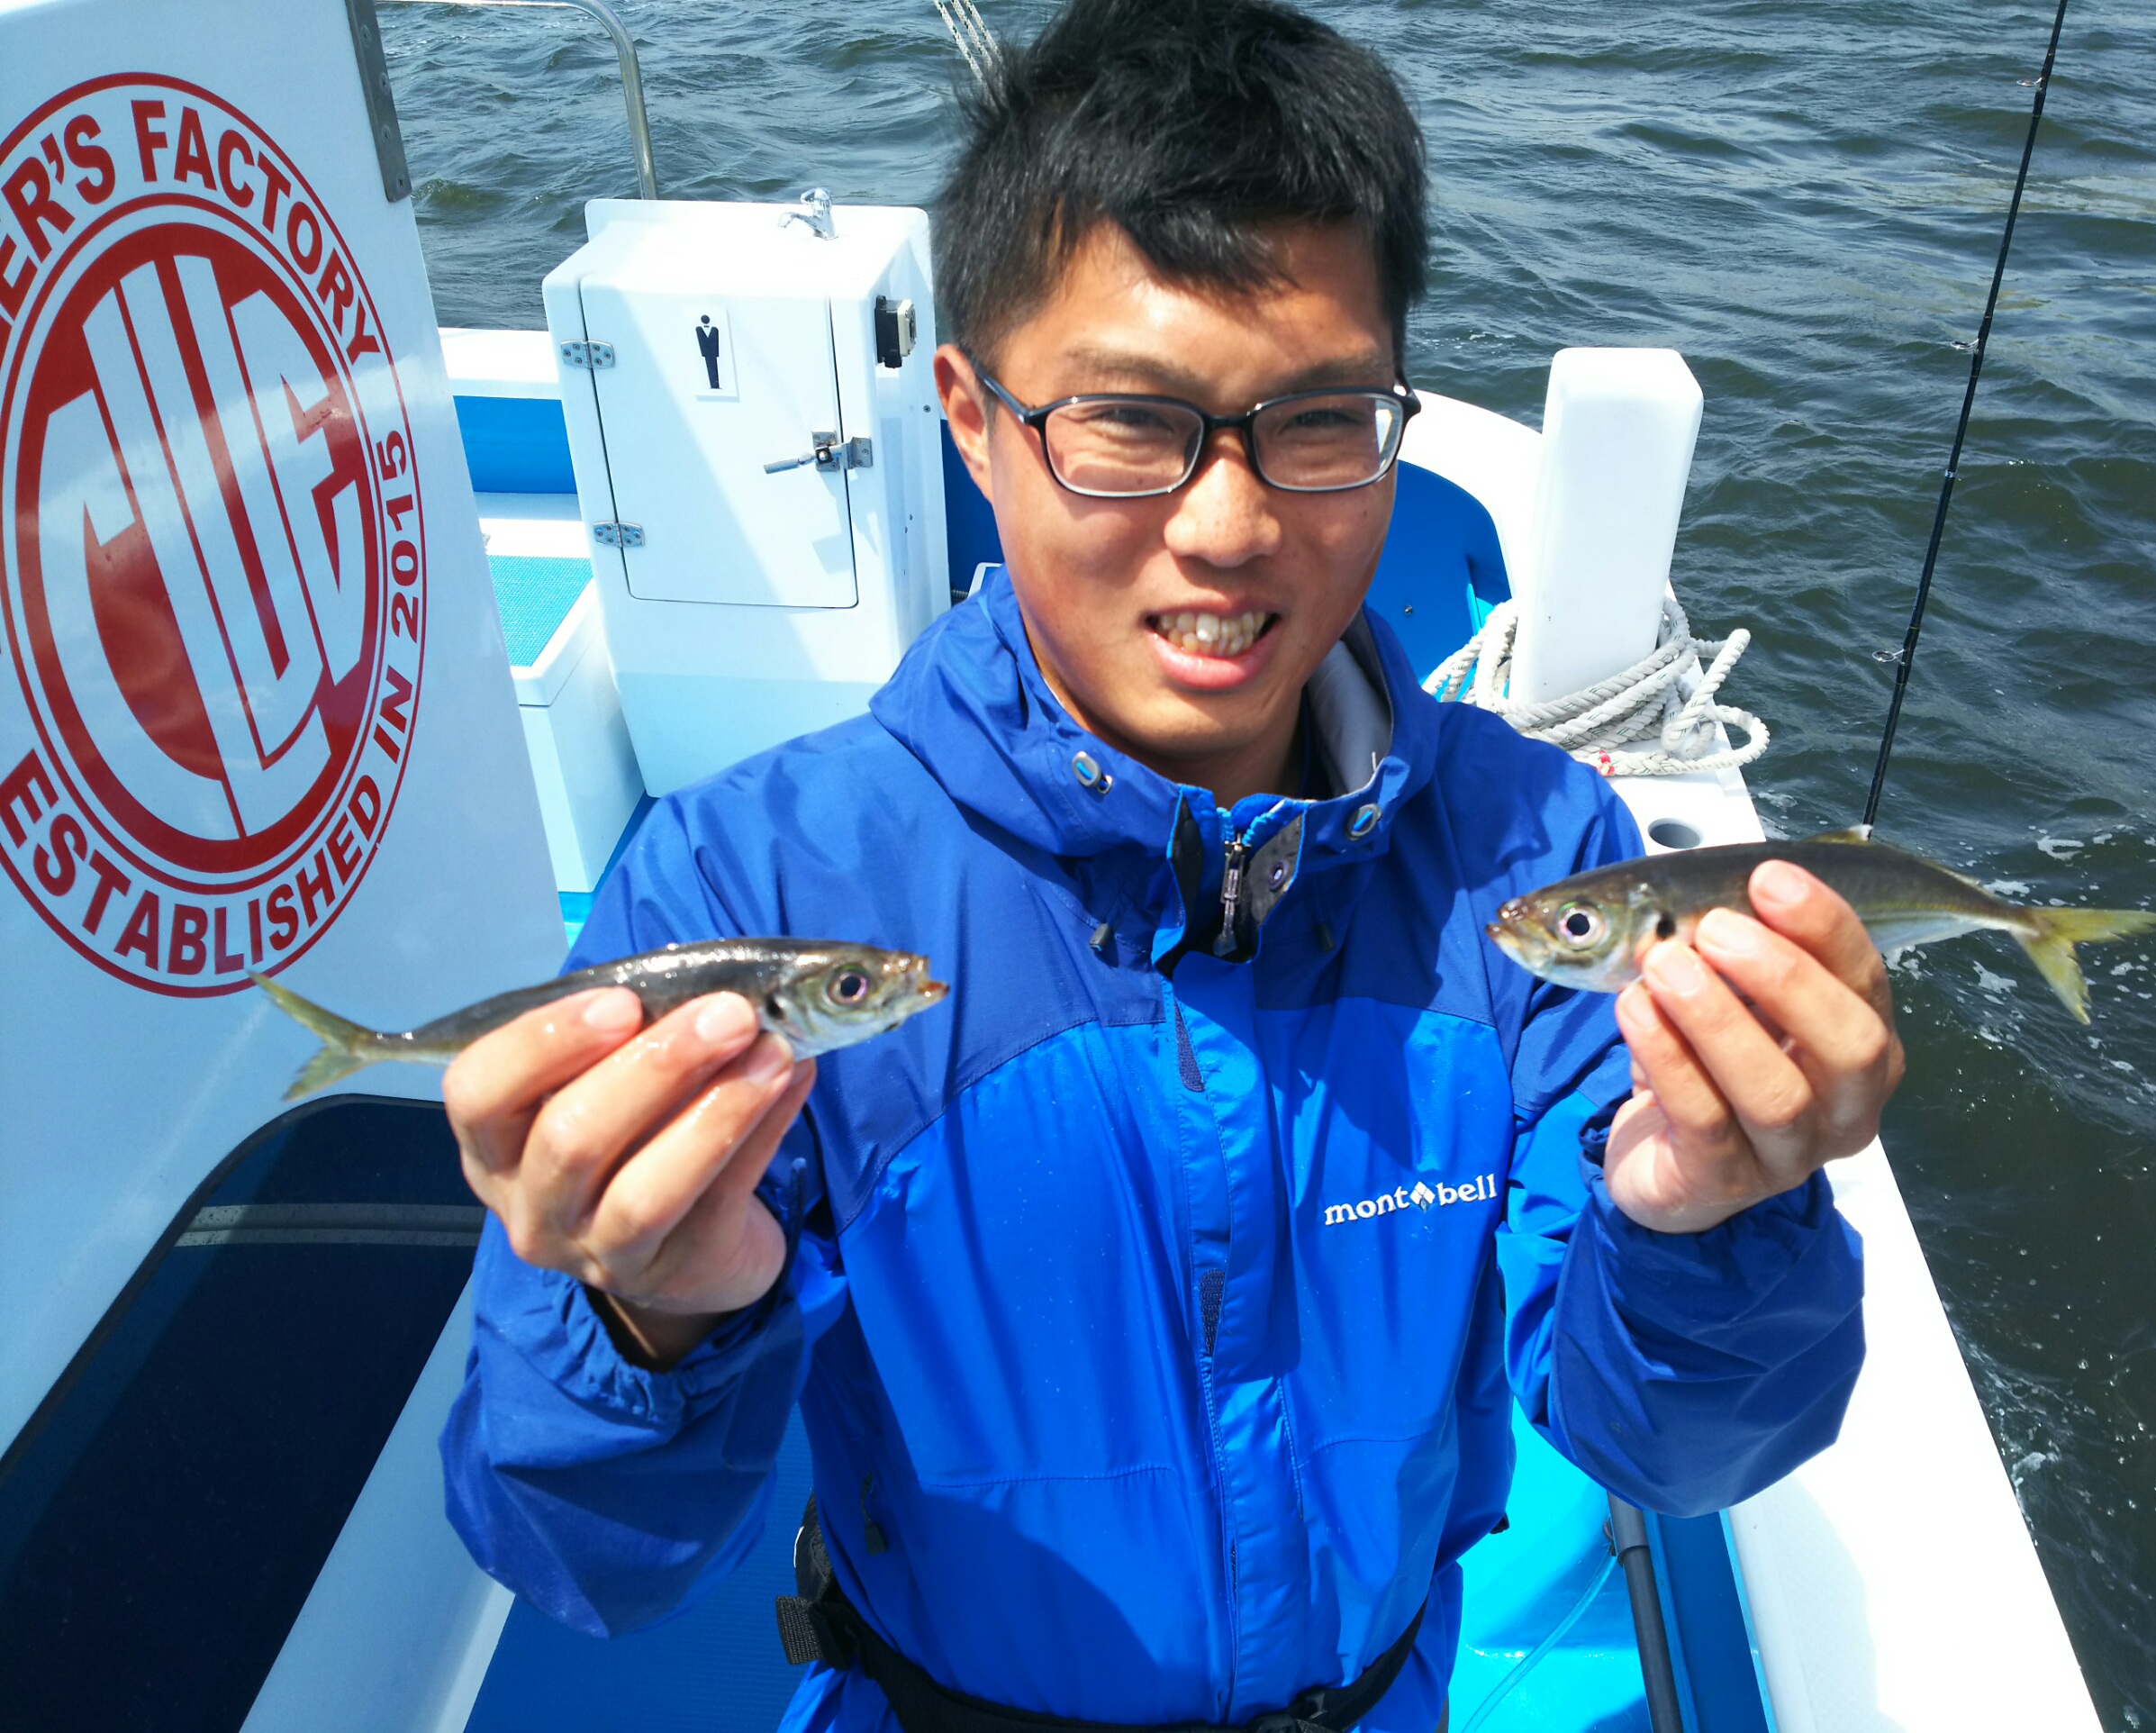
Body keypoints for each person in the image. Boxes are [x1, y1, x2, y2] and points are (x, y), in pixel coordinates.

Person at [439, 4, 1892, 1730]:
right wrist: (643, 1323)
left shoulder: (1535, 854)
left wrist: (1712, 1220)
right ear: (971, 424)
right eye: (1127, 424)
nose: (1227, 523)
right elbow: (576, 1556)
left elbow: (1680, 1448)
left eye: (1321, 418)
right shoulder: (734, 881)